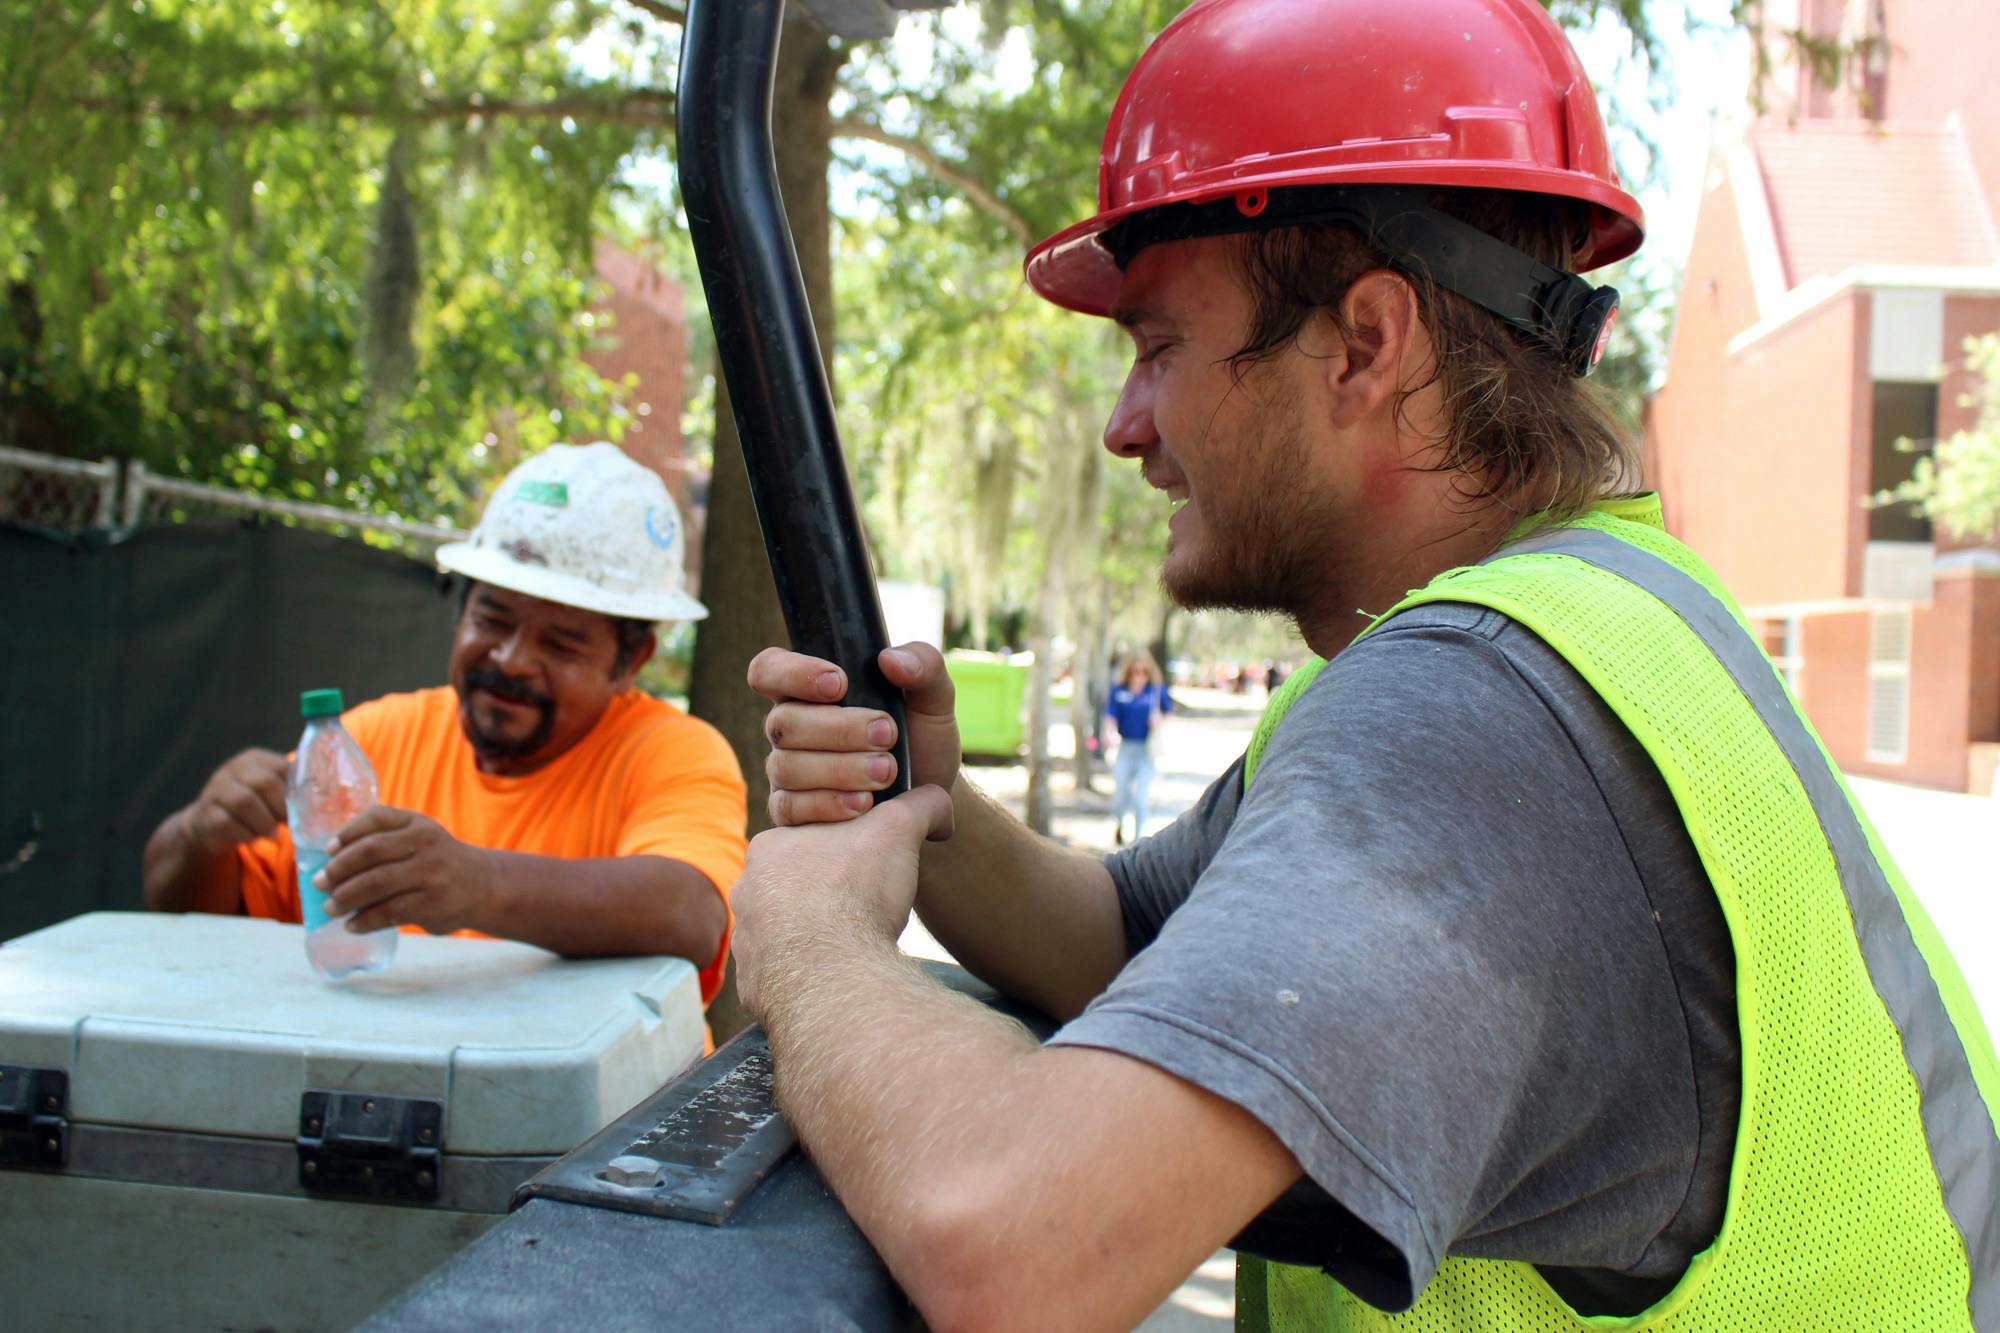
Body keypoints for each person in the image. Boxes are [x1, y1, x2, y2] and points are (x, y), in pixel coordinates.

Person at [729, 0, 2000, 1328]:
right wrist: (937, 811)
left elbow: (1015, 1238)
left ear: (1364, 344)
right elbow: (1128, 944)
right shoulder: (1593, 620)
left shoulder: (1477, 710)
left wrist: (808, 939)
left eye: (1160, 347)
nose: (1124, 426)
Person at [143, 442, 748, 1003]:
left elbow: (692, 913)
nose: (512, 659)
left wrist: (477, 884)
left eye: (562, 644)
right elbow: (196, 911)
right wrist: (202, 837)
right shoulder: (369, 742)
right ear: (460, 611)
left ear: (630, 662)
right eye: (492, 618)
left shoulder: (673, 752)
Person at [1105, 652, 1171, 843]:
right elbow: (1110, 716)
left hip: (1146, 750)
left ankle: (1137, 837)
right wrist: (1109, 732)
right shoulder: (1119, 691)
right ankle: (1119, 823)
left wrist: (1159, 721)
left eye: (1143, 672)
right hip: (1125, 748)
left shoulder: (1155, 691)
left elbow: (1169, 711)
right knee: (1121, 793)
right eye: (1135, 672)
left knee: (1141, 796)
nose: (1139, 676)